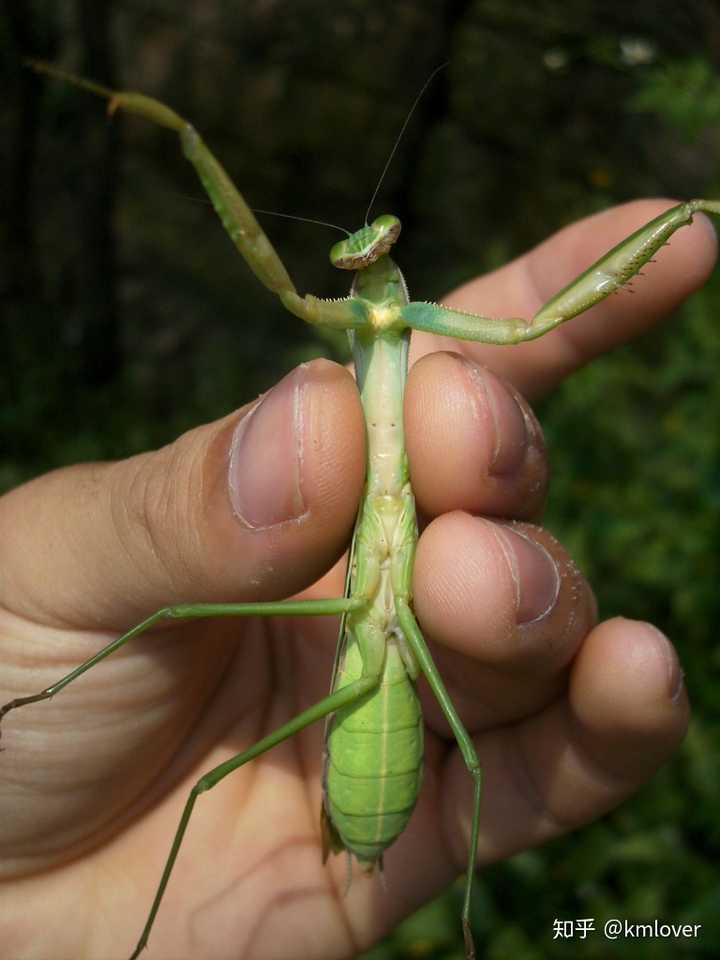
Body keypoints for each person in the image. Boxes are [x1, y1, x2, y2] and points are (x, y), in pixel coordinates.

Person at [0, 200, 712, 959]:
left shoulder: (408, 337)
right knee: (213, 661)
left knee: (475, 712)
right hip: (382, 652)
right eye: (354, 264)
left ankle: (462, 919)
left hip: (382, 641)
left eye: (383, 250)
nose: (371, 268)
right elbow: (306, 295)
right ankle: (135, 916)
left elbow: (524, 330)